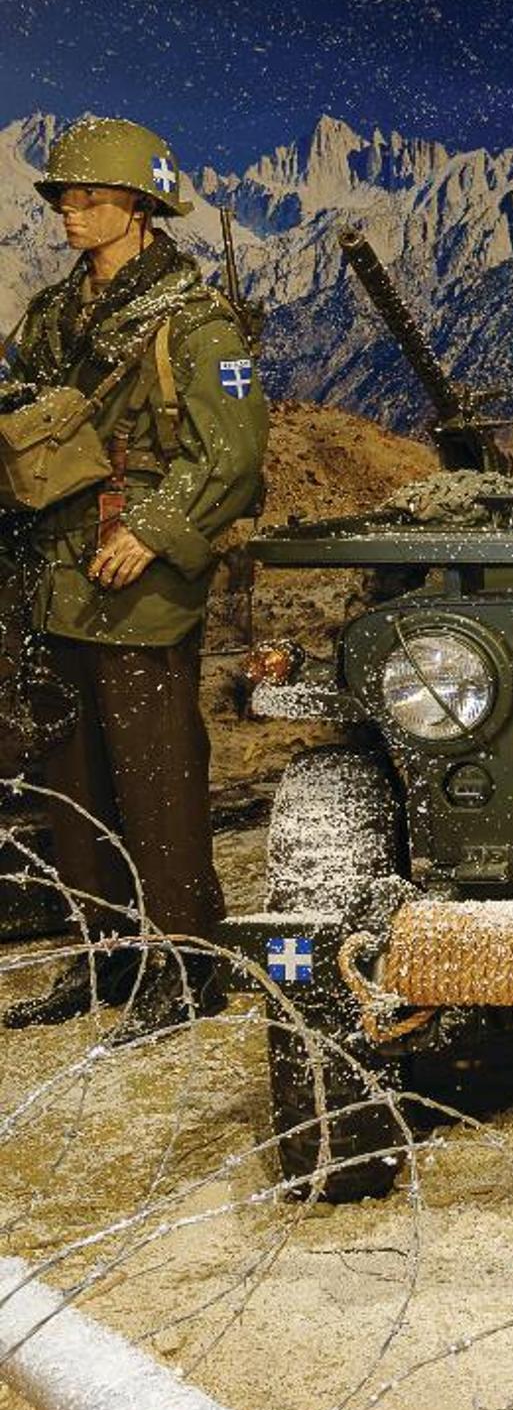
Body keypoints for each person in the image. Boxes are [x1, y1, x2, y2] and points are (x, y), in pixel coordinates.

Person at [2, 118, 269, 1039]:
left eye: (90, 197)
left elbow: (232, 456)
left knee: (155, 779)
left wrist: (152, 530)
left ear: (140, 207)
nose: (70, 211)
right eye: (64, 197)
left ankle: (186, 963)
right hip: (56, 571)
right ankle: (105, 953)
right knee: (74, 782)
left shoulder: (196, 323)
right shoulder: (53, 315)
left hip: (139, 580)